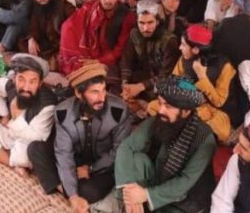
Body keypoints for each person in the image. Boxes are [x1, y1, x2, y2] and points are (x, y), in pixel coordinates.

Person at [28, 61, 132, 212]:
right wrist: (73, 195)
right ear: (78, 93)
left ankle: (61, 186)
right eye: (94, 92)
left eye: (103, 90)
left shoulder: (119, 110)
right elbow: (64, 154)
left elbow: (119, 151)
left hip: (102, 166)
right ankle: (69, 192)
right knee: (35, 149)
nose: (102, 98)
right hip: (75, 160)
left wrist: (91, 169)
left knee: (89, 191)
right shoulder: (63, 112)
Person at [115, 76, 217, 213]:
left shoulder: (204, 138)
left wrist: (146, 195)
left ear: (186, 111)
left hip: (185, 200)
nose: (161, 110)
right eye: (160, 103)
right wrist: (129, 192)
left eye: (168, 106)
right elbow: (128, 146)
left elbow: (185, 181)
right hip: (157, 181)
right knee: (138, 159)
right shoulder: (161, 119)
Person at [0, 54, 56, 175]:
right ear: (14, 78)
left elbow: (38, 137)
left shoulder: (47, 104)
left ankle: (13, 159)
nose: (26, 87)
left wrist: (16, 118)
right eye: (21, 79)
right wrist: (4, 115)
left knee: (24, 157)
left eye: (32, 81)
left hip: (30, 141)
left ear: (40, 83)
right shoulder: (10, 86)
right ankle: (12, 163)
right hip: (10, 132)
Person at [149, 25, 235, 143]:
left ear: (195, 50)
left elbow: (219, 101)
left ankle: (181, 128)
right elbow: (175, 82)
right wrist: (191, 93)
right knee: (152, 106)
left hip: (212, 109)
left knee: (222, 130)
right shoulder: (183, 59)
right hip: (186, 101)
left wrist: (202, 76)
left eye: (183, 45)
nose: (179, 48)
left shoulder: (225, 67)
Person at [59, 0, 136, 77]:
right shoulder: (90, 7)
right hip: (88, 53)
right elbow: (69, 26)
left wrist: (97, 61)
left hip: (110, 58)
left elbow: (119, 49)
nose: (107, 0)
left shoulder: (127, 16)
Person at [120, 0, 181, 114]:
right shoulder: (134, 34)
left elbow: (167, 74)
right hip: (141, 77)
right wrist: (125, 83)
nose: (145, 28)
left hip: (160, 83)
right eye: (141, 23)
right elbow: (126, 60)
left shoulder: (169, 40)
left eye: (150, 22)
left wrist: (140, 86)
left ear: (157, 21)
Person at [26, 0, 76, 69]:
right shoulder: (36, 8)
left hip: (63, 43)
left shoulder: (63, 5)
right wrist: (31, 39)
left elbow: (75, 24)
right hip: (47, 44)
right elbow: (33, 27)